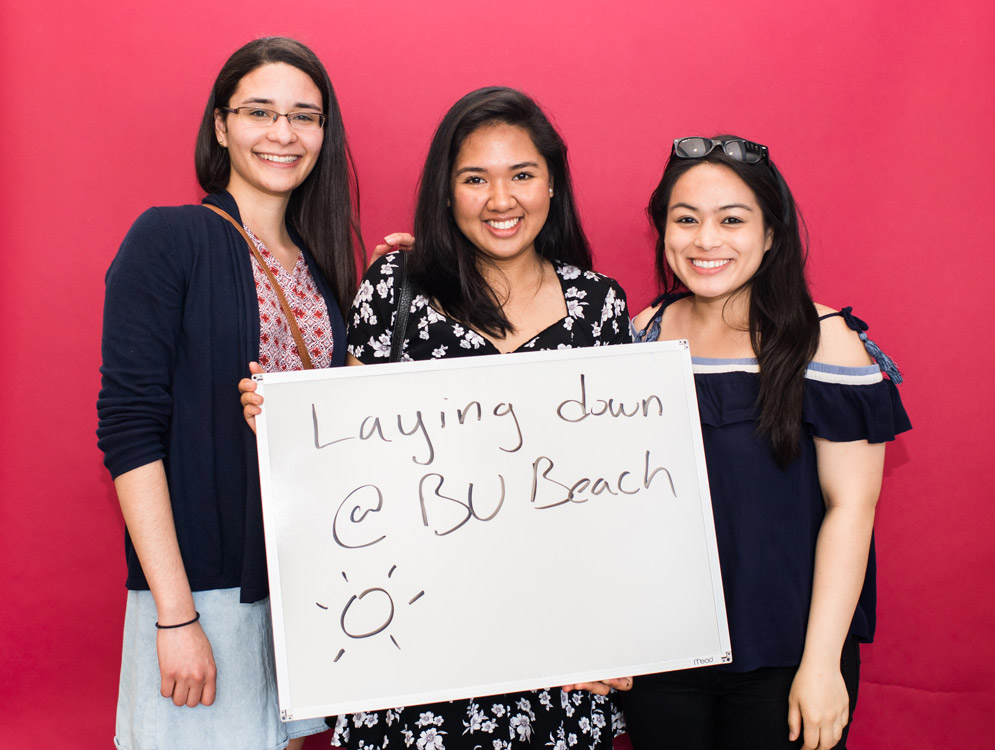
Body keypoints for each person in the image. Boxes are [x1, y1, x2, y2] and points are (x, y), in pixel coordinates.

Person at [242, 86, 632, 749]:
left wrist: (620, 633)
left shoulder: (598, 305)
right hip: (414, 644)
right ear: (446, 192)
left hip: (556, 648)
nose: (500, 200)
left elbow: (621, 490)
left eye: (522, 175)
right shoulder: (394, 288)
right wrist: (288, 426)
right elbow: (349, 463)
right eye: (474, 178)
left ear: (552, 185)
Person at [96, 37, 362, 750]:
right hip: (208, 587)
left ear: (324, 133)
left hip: (304, 583)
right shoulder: (169, 237)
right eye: (260, 112)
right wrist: (175, 614)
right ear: (220, 125)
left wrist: (398, 288)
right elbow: (128, 429)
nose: (283, 133)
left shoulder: (323, 267)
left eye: (304, 116)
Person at [623, 137, 911, 750]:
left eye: (732, 219)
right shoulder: (640, 336)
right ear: (662, 229)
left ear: (772, 232)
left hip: (786, 657)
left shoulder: (825, 341)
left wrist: (822, 664)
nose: (706, 240)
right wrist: (426, 269)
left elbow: (852, 507)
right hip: (662, 658)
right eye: (686, 219)